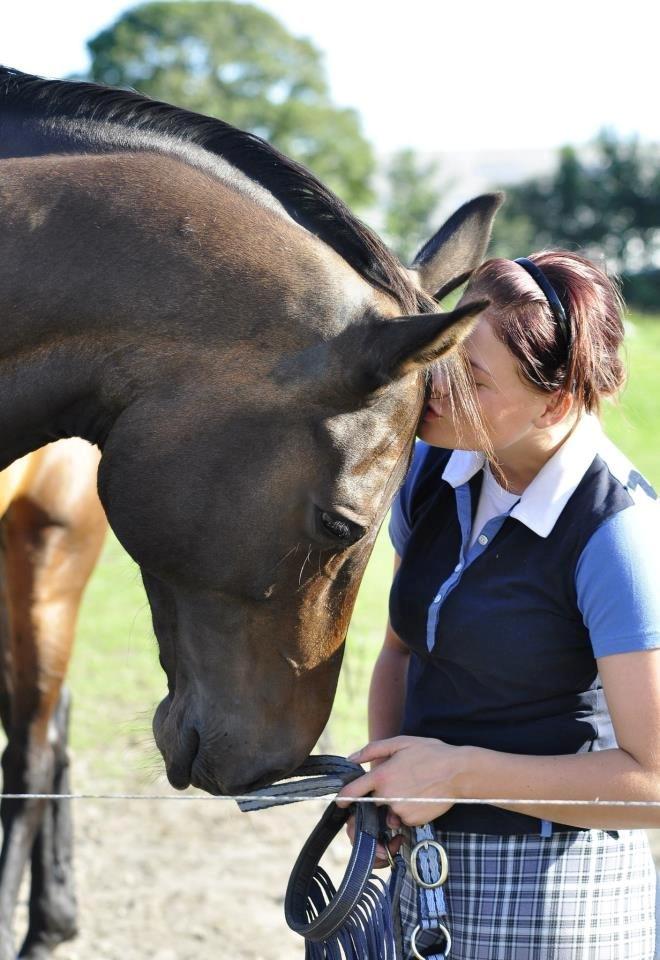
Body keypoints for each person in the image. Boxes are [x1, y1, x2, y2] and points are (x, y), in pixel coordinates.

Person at [337, 251, 660, 959]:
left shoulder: (619, 536)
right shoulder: (430, 473)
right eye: (442, 357)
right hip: (423, 879)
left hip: (563, 903)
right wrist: (386, 788)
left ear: (558, 401)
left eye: (471, 378)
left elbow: (655, 783)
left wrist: (457, 773)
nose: (434, 386)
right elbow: (401, 648)